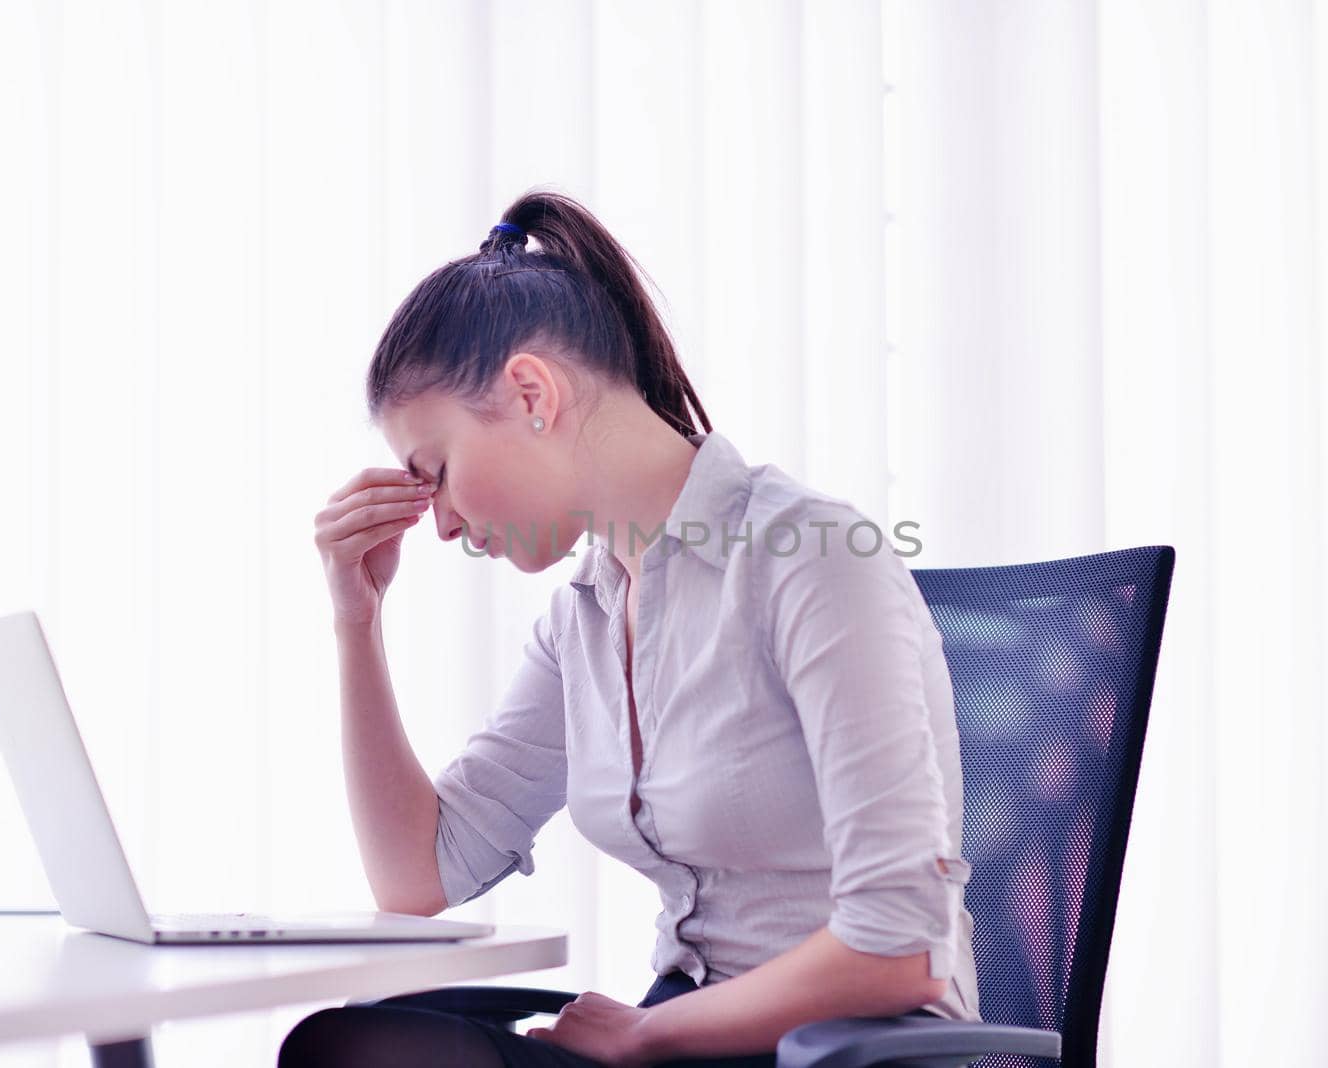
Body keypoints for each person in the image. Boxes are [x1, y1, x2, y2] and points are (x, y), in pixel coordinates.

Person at [288, 189, 980, 1067]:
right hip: (688, 1037)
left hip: (852, 1048)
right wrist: (358, 621)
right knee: (358, 1044)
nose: (445, 526)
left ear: (532, 392)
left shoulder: (809, 557)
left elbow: (901, 947)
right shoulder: (587, 612)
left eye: (440, 474)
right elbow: (419, 877)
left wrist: (650, 1032)